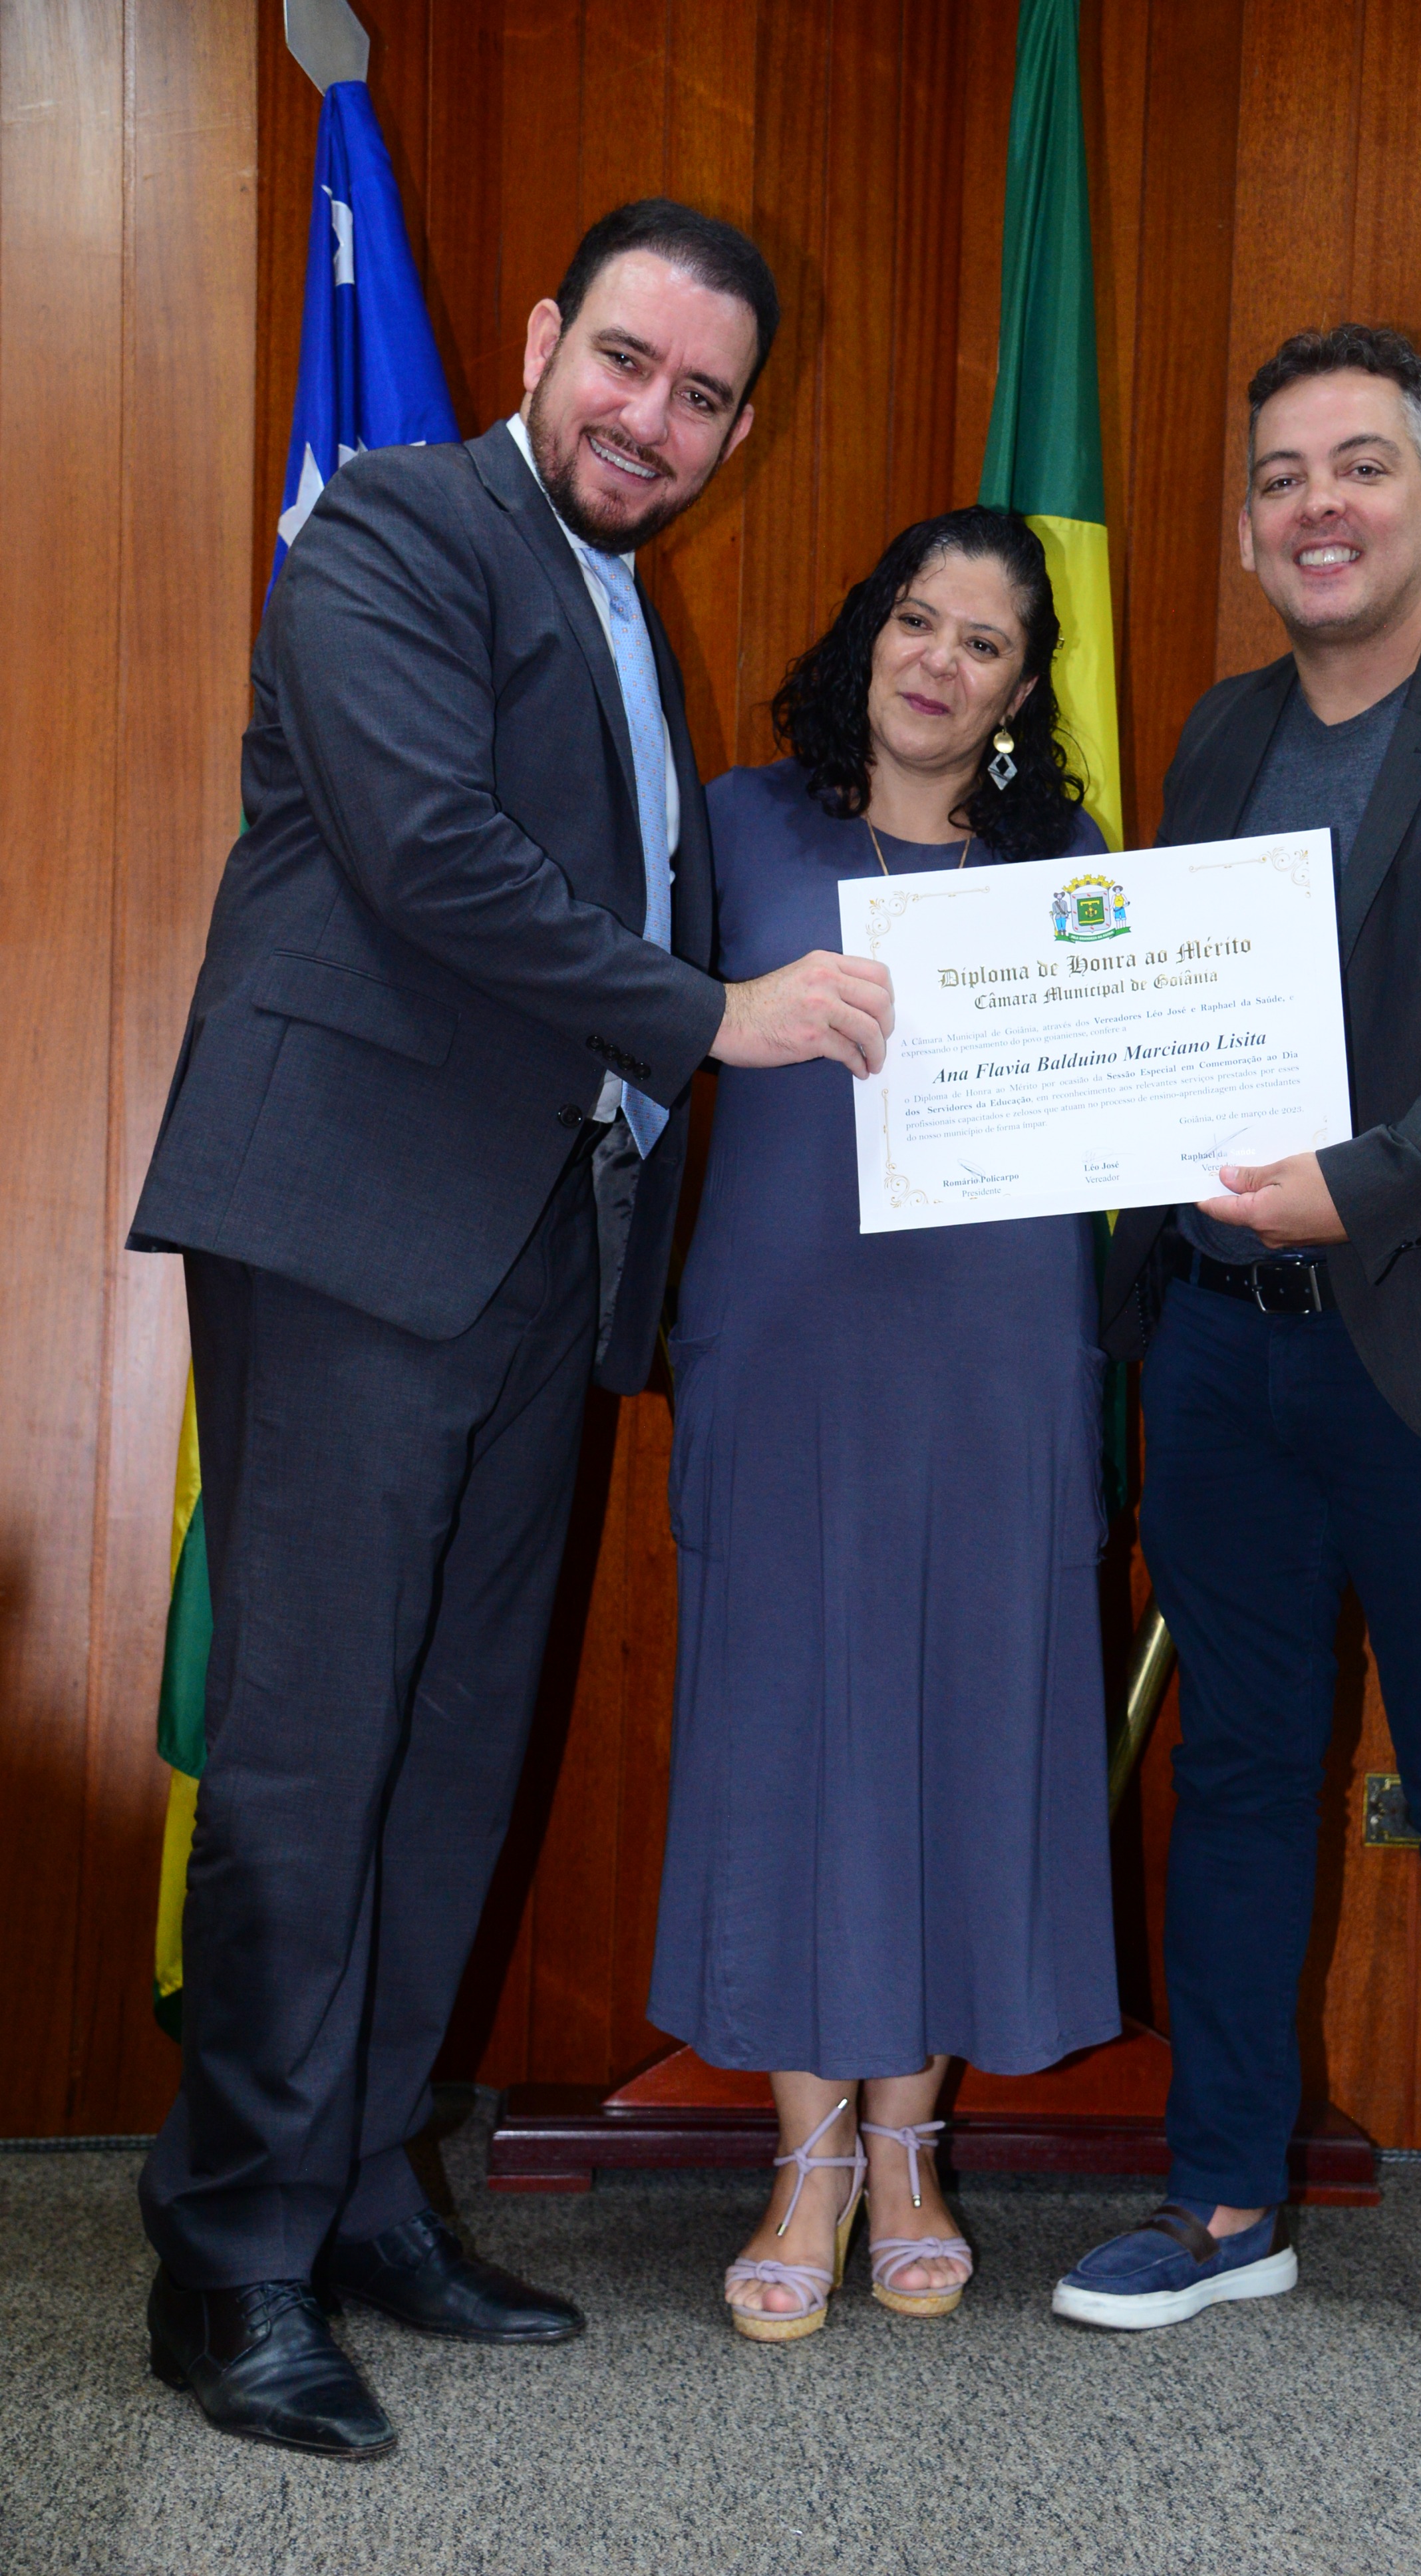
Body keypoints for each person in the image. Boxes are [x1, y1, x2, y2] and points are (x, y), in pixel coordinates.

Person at [127, 199, 895, 2458]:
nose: (653, 419)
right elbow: (427, 852)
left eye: (703, 397)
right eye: (627, 364)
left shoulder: (626, 611)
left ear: (736, 430)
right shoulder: (396, 524)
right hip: (357, 1220)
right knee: (310, 1754)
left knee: (451, 1753)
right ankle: (230, 2257)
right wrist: (716, 1013)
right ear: (548, 338)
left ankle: (364, 2193)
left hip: (546, 1244)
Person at [1052, 325, 1421, 2389]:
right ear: (1247, 530)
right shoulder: (1217, 736)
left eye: (1364, 466)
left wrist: (1361, 1185)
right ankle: (1223, 2202)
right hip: (1223, 1353)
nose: (1321, 505)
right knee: (1235, 1773)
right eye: (1283, 476)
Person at [647, 506, 1122, 2343]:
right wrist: (726, 1009)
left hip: (996, 1351)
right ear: (871, 628)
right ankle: (808, 2158)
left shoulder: (1065, 866)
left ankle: (912, 2146)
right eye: (918, 619)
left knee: (964, 1715)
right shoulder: (734, 824)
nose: (940, 661)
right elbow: (630, 1025)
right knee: (785, 1721)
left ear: (1019, 689)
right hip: (785, 1341)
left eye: (984, 642)